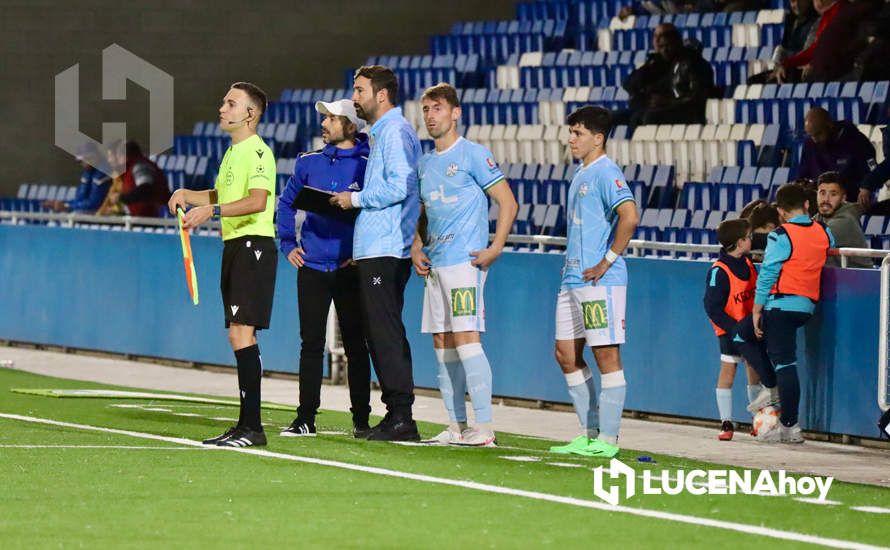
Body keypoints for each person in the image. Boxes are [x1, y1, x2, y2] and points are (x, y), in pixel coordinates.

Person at [168, 82, 277, 447]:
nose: (222, 108)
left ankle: (253, 427)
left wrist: (210, 211)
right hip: (235, 245)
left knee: (242, 334)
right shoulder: (233, 153)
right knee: (237, 334)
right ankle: (246, 424)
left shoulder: (258, 152)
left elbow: (257, 200)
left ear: (251, 113)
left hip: (253, 246)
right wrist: (189, 195)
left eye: (231, 103)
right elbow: (223, 194)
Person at [409, 83, 518, 447]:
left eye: (437, 108)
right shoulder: (425, 163)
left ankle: (484, 429)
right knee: (442, 342)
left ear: (455, 113)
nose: (430, 115)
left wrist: (495, 247)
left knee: (467, 339)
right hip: (436, 264)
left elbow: (507, 202)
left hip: (463, 263)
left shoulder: (473, 154)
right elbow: (423, 212)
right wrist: (416, 246)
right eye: (426, 109)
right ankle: (456, 426)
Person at [330, 65, 422, 441]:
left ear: (381, 95)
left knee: (384, 332)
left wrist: (355, 199)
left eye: (359, 90)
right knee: (379, 332)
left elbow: (400, 185)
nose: (354, 98)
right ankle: (396, 414)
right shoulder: (382, 132)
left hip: (386, 249)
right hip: (376, 248)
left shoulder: (395, 132)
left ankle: (402, 416)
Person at [276, 99, 373, 438]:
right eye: (325, 118)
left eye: (332, 118)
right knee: (311, 343)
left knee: (358, 345)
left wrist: (363, 252)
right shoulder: (308, 162)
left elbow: (376, 209)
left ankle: (362, 420)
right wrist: (287, 243)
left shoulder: (368, 163)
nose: (325, 123)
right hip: (313, 267)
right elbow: (286, 203)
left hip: (350, 267)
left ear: (349, 125)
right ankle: (306, 418)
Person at [548, 106, 639, 458]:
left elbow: (629, 217)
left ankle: (609, 440)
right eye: (571, 132)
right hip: (573, 278)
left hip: (601, 281)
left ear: (598, 138)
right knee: (565, 353)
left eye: (579, 133)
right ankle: (589, 433)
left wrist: (607, 260)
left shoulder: (606, 172)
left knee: (605, 355)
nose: (571, 139)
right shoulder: (581, 173)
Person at [748, 184, 834, 444]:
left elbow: (768, 274)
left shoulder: (780, 235)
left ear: (782, 212)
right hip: (807, 306)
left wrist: (756, 309)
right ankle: (770, 389)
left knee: (782, 363)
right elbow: (832, 243)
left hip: (781, 305)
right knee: (749, 339)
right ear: (808, 205)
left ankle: (789, 424)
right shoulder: (823, 231)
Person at [703, 218, 769, 441]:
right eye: (749, 237)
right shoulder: (718, 271)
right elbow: (712, 308)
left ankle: (758, 422)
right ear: (741, 242)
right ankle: (726, 422)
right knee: (728, 374)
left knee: (754, 373)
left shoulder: (748, 262)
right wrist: (734, 329)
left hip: (751, 329)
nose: (753, 239)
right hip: (731, 332)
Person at [621, 24, 714, 125]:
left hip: (689, 112)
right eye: (661, 46)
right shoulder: (667, 64)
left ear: (676, 42)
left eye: (667, 45)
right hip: (671, 107)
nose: (664, 49)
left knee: (649, 118)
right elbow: (629, 83)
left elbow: (696, 98)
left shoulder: (694, 64)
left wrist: (668, 101)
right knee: (618, 117)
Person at [795, 107, 877, 206]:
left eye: (818, 134)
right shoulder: (809, 144)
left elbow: (871, 170)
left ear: (830, 125)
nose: (815, 140)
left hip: (850, 202)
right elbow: (802, 175)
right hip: (819, 202)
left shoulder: (856, 140)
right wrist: (805, 185)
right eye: (811, 135)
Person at [748, 0, 818, 84]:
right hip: (786, 66)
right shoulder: (790, 20)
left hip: (798, 68)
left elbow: (806, 53)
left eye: (800, 0)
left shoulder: (816, 21)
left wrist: (785, 65)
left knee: (777, 80)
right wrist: (777, 67)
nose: (796, 4)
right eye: (793, 1)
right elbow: (783, 48)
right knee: (753, 81)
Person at [813, 171, 871, 268]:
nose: (826, 199)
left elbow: (807, 240)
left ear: (843, 198)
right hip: (839, 279)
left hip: (860, 280)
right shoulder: (820, 217)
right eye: (822, 193)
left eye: (833, 194)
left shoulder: (846, 221)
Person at [43, 143, 111, 213]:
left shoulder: (103, 172)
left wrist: (67, 206)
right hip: (88, 213)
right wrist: (63, 204)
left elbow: (94, 204)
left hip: (102, 214)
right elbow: (80, 197)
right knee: (54, 222)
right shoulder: (88, 172)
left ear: (94, 157)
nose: (82, 163)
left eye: (83, 159)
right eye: (80, 161)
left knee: (75, 214)